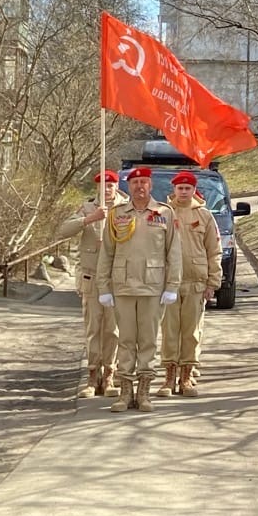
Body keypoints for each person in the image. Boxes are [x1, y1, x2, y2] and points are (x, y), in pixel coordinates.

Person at [96, 164, 182, 412]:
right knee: (125, 340)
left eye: (144, 182)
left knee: (147, 341)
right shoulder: (117, 213)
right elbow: (107, 253)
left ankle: (144, 393)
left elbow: (174, 252)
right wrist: (104, 286)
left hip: (153, 288)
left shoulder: (164, 213)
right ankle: (125, 394)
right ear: (129, 187)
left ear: (151, 185)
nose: (139, 186)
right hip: (122, 286)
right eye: (134, 183)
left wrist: (172, 285)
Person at [58, 169, 122, 396]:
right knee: (93, 328)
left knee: (113, 330)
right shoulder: (87, 208)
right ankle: (92, 376)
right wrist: (89, 219)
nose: (106, 189)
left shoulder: (127, 208)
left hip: (117, 278)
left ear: (116, 186)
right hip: (92, 276)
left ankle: (110, 375)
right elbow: (63, 231)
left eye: (110, 185)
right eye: (102, 185)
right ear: (96, 188)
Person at [161, 170, 222, 398]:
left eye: (188, 188)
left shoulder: (205, 215)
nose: (184, 192)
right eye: (180, 188)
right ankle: (168, 377)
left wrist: (212, 282)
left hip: (196, 282)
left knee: (191, 332)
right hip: (169, 284)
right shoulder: (164, 213)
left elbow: (214, 251)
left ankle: (186, 377)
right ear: (174, 190)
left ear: (194, 190)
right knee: (169, 332)